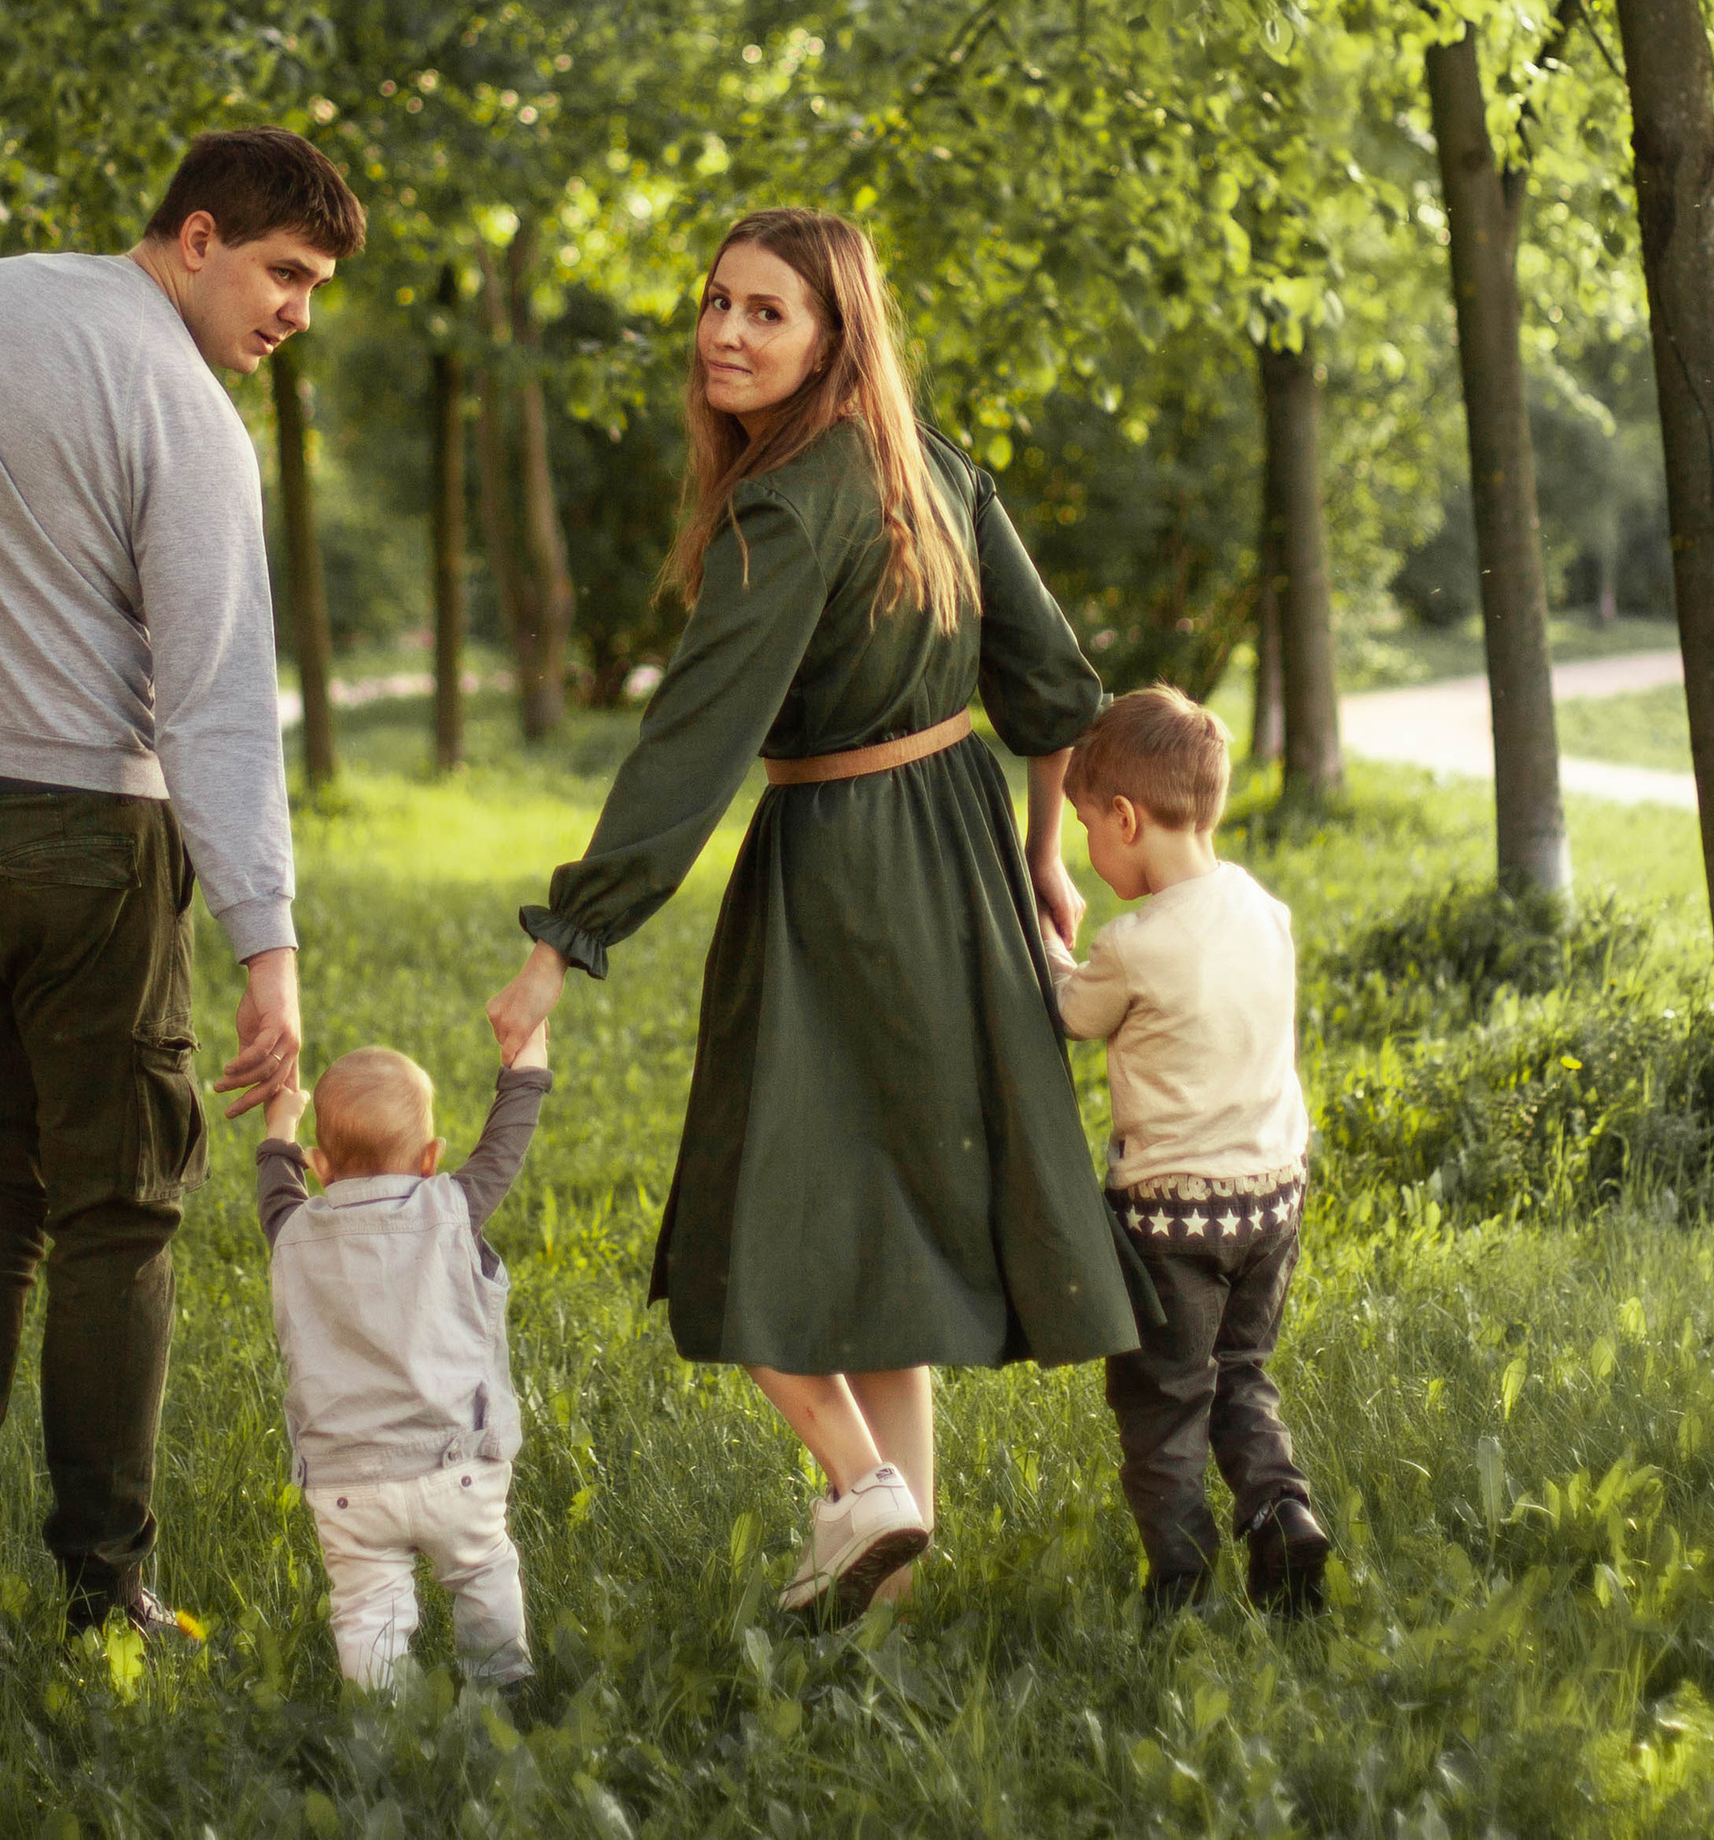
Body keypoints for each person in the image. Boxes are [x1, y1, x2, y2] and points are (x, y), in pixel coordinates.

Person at [485, 206, 1136, 1622]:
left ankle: (861, 1491)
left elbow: (695, 738)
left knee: (755, 1226)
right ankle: (888, 1595)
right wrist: (1039, 856)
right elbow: (1054, 694)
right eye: (717, 303)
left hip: (839, 874)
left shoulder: (786, 504)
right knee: (888, 1242)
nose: (724, 332)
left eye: (765, 312)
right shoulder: (935, 469)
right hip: (955, 856)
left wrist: (567, 938)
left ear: (837, 334)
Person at [0, 126, 363, 1667]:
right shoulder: (182, 405)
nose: (295, 315)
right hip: (85, 840)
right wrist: (270, 946)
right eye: (284, 274)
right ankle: (104, 1584)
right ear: (197, 236)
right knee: (120, 1214)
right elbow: (214, 696)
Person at [1044, 685, 1332, 1617]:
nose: (1087, 843)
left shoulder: (1132, 944)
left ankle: (1182, 1584)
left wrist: (1045, 940)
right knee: (1242, 1377)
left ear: (1125, 818)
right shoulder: (1264, 909)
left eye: (1087, 824)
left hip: (1173, 1219)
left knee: (1163, 1403)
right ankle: (1281, 1513)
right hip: (1274, 1200)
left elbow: (1069, 1012)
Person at [254, 1031, 553, 1691]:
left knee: (365, 1607)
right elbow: (504, 1148)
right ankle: (500, 1686)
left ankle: (381, 1724)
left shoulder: (293, 1232)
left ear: (321, 1166)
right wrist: (526, 1063)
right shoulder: (454, 1208)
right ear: (430, 1159)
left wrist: (282, 1121)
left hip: (346, 1480)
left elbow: (276, 1187)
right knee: (482, 1571)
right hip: (457, 1466)